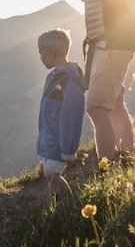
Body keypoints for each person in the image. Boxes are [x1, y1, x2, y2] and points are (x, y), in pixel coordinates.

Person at [63, 0, 135, 164]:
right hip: (103, 41)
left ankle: (108, 171)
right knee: (114, 102)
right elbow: (98, 0)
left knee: (96, 107)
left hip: (112, 40)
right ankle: (128, 158)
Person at [35, 29, 86, 198]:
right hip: (49, 137)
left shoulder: (69, 80)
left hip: (59, 140)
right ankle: (56, 204)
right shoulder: (53, 77)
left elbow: (72, 115)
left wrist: (68, 148)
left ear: (51, 53)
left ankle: (68, 199)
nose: (40, 57)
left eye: (41, 53)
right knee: (49, 175)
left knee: (51, 175)